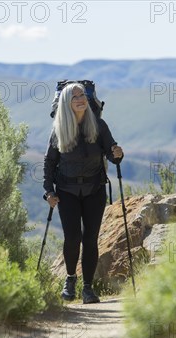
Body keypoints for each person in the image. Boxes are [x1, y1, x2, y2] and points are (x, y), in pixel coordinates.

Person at [43, 82, 123, 304]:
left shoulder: (98, 125)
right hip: (66, 191)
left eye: (82, 96)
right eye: (75, 96)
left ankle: (88, 288)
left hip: (94, 189)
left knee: (90, 239)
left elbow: (111, 154)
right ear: (66, 102)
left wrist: (117, 154)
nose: (80, 99)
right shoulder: (59, 129)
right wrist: (48, 191)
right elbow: (50, 163)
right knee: (72, 237)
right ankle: (70, 279)